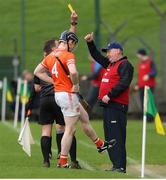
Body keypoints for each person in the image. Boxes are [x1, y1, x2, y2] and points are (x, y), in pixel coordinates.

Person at [34, 31, 116, 168]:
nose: (73, 47)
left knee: (84, 118)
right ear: (69, 42)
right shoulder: (68, 55)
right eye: (74, 44)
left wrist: (54, 81)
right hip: (67, 95)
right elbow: (73, 72)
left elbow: (37, 72)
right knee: (70, 129)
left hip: (60, 94)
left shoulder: (50, 56)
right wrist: (76, 85)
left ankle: (100, 144)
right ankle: (63, 160)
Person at [84, 32, 134, 173]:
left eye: (109, 52)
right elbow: (97, 56)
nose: (107, 55)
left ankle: (120, 166)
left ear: (118, 51)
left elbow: (124, 83)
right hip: (108, 105)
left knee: (116, 136)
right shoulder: (111, 64)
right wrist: (90, 43)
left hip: (116, 105)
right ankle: (115, 165)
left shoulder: (125, 64)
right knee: (110, 136)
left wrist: (110, 95)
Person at [135, 49, 157, 120]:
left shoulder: (150, 62)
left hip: (149, 86)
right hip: (141, 86)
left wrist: (149, 75)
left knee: (148, 102)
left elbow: (154, 71)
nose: (137, 56)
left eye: (138, 54)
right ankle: (145, 118)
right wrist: (137, 84)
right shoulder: (140, 63)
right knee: (143, 102)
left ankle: (150, 118)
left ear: (141, 54)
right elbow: (140, 75)